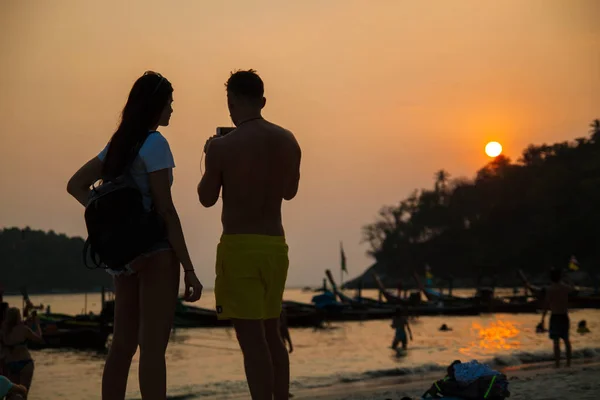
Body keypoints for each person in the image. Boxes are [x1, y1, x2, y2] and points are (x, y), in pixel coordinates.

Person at [67, 71, 203, 400]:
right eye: (169, 103)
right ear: (155, 105)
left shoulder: (117, 145)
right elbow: (166, 210)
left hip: (123, 258)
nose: (172, 109)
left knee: (122, 346)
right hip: (155, 253)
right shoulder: (155, 143)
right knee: (152, 348)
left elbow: (76, 186)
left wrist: (111, 222)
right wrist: (189, 268)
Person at [198, 69, 301, 400]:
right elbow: (290, 192)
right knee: (272, 333)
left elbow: (206, 198)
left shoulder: (222, 147)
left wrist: (209, 153)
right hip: (275, 245)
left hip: (240, 247)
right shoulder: (288, 140)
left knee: (251, 340)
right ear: (263, 100)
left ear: (231, 102)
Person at [0, 308, 43, 396]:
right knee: (23, 393)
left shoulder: (3, 331)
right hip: (25, 363)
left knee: (11, 394)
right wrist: (37, 324)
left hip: (10, 364)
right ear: (18, 317)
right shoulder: (24, 330)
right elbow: (38, 338)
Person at [540, 268, 572, 368]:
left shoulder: (550, 289)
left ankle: (557, 363)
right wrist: (567, 279)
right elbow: (574, 288)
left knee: (556, 341)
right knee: (566, 340)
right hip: (564, 315)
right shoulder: (565, 288)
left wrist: (542, 319)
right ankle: (568, 363)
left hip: (555, 316)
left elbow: (546, 305)